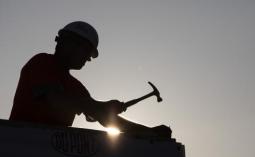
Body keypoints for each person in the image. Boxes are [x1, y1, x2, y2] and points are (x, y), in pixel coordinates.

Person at [9, 21, 171, 138]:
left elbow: (106, 118)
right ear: (69, 44)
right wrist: (101, 106)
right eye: (87, 52)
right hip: (19, 148)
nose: (88, 59)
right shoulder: (41, 63)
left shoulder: (77, 87)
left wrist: (149, 132)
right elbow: (55, 100)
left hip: (51, 156)